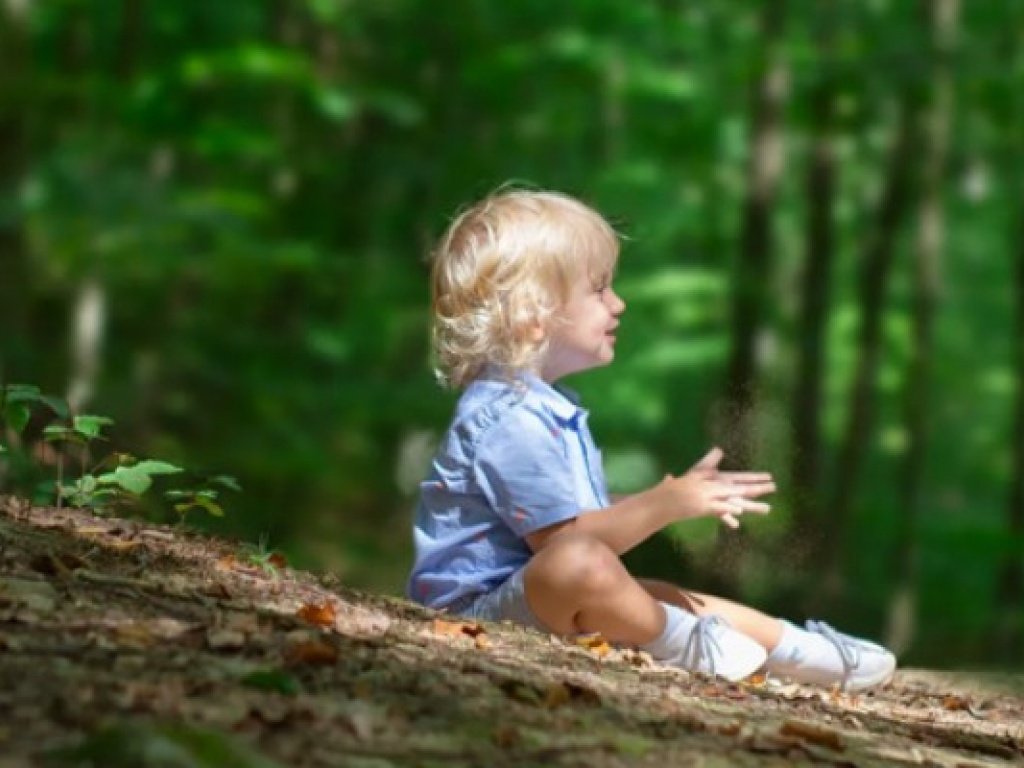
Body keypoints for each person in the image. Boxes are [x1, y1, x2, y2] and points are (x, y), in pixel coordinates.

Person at [407, 186, 896, 690]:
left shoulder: (542, 408)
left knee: (655, 591)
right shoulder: (510, 419)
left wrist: (666, 499)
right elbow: (568, 544)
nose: (618, 303)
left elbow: (573, 518)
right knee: (583, 564)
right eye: (598, 289)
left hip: (533, 596)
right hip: (480, 614)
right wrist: (664, 505)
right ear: (533, 312)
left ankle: (802, 651)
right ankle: (691, 645)